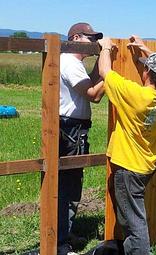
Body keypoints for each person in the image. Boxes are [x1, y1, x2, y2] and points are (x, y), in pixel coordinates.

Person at [97, 35, 156, 254]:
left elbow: (105, 72)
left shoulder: (135, 95)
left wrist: (105, 48)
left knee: (134, 223)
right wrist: (144, 49)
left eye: (145, 68)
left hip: (129, 169)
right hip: (145, 166)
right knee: (128, 215)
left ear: (147, 73)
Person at [58, 22, 105, 255]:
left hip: (71, 128)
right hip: (71, 129)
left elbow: (91, 83)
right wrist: (111, 69)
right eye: (91, 38)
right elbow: (94, 94)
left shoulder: (70, 62)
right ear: (76, 37)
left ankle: (63, 235)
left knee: (68, 182)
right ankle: (60, 245)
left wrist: (101, 64)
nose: (95, 43)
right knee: (69, 185)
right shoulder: (70, 63)